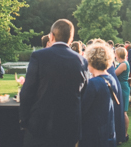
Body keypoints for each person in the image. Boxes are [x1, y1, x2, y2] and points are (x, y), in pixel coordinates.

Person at [19, 19, 89, 147]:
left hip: (41, 125)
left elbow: (27, 92)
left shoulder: (39, 56)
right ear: (71, 38)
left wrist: (24, 120)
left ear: (51, 36)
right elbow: (83, 93)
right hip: (69, 125)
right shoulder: (82, 61)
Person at [81, 41, 119, 147]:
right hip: (108, 131)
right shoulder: (111, 79)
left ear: (91, 61)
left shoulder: (93, 83)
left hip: (93, 135)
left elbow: (82, 108)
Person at [114, 47, 131, 142]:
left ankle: (125, 133)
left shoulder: (123, 64)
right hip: (121, 86)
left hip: (123, 87)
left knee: (124, 112)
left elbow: (114, 74)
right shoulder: (122, 63)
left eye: (115, 54)